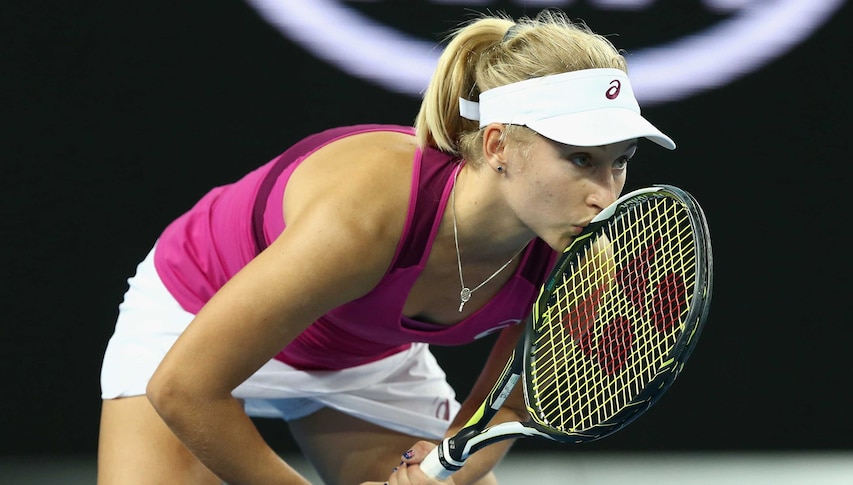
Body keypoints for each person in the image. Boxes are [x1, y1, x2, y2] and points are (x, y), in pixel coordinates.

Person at [97, 9, 675, 485]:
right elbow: (182, 388)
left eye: (619, 162)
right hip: (198, 318)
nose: (605, 193)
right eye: (580, 159)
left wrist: (431, 475)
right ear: (498, 144)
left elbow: (506, 407)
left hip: (363, 357)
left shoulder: (580, 255)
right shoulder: (368, 214)